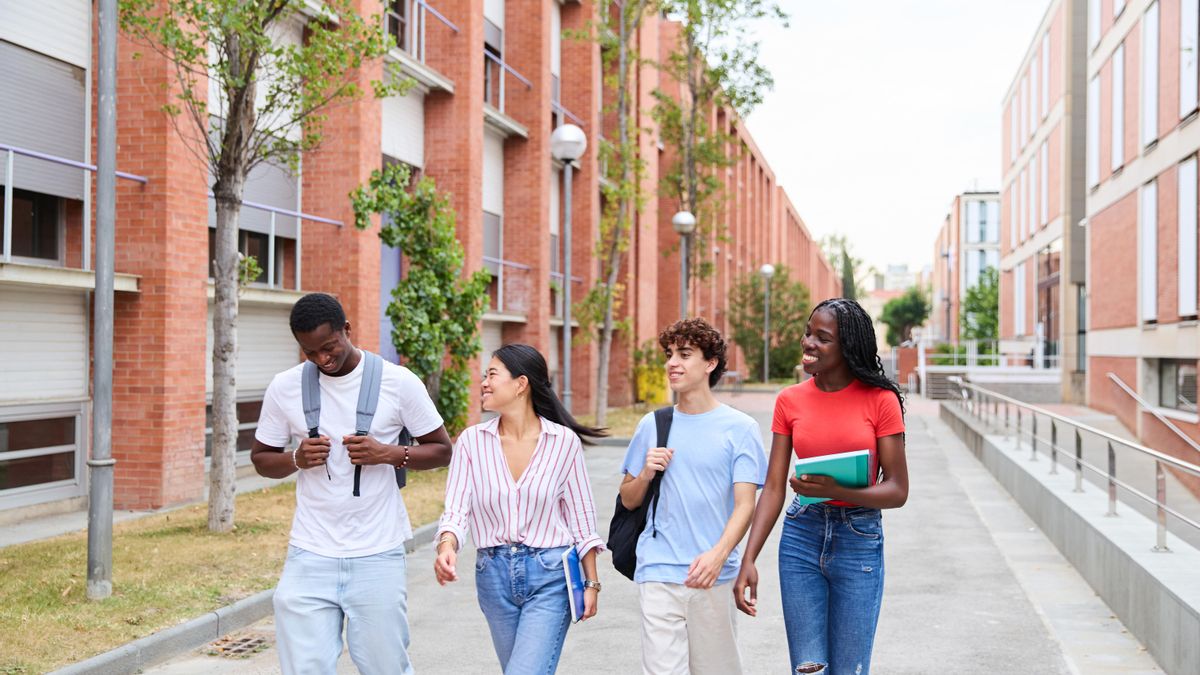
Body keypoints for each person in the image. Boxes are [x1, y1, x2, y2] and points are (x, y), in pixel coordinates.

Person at [251, 293, 453, 675]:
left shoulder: (398, 382)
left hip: (377, 551)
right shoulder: (284, 386)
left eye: (328, 347)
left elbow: (442, 451)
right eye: (310, 352)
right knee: (304, 669)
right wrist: (296, 459)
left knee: (385, 667)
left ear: (347, 329)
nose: (321, 359)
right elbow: (261, 458)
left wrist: (388, 453)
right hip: (309, 552)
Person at [733, 298, 909, 675]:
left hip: (859, 538)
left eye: (822, 338)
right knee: (808, 669)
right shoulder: (789, 400)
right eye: (808, 333)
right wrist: (749, 558)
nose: (808, 343)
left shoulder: (881, 401)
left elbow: (897, 490)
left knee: (848, 669)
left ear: (848, 348)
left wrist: (836, 490)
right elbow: (774, 488)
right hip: (802, 535)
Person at [434, 344, 607, 674]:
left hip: (550, 575)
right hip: (493, 575)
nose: (484, 382)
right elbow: (456, 510)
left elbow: (582, 521)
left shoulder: (563, 443)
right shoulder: (471, 442)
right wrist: (446, 546)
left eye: (492, 375)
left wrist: (592, 583)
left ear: (521, 384)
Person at [619, 318, 767, 675]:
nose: (672, 363)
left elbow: (745, 505)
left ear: (710, 363)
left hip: (713, 574)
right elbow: (628, 499)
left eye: (684, 355)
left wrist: (718, 556)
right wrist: (646, 473)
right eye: (670, 354)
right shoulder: (653, 425)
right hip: (658, 570)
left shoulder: (740, 429)